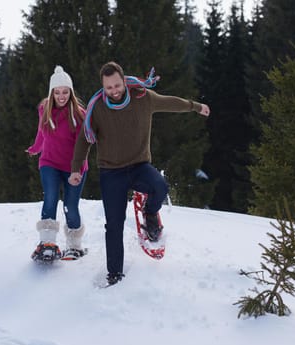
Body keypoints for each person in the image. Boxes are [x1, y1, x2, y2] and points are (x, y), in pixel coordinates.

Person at [68, 61, 210, 285]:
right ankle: (114, 273)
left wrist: (195, 106)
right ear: (103, 87)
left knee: (160, 187)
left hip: (138, 166)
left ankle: (150, 213)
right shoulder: (98, 109)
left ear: (123, 81)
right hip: (111, 172)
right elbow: (84, 139)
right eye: (108, 88)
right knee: (113, 224)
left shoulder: (143, 98)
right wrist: (76, 168)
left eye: (116, 85)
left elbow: (169, 102)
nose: (113, 91)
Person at [27, 65, 89, 262]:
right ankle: (47, 243)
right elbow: (41, 133)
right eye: (57, 92)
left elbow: (85, 145)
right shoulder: (44, 109)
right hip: (50, 162)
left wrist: (77, 170)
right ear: (51, 93)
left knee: (70, 205)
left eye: (65, 92)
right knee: (51, 197)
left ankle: (74, 246)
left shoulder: (80, 114)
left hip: (74, 167)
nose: (61, 96)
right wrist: (36, 148)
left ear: (70, 93)